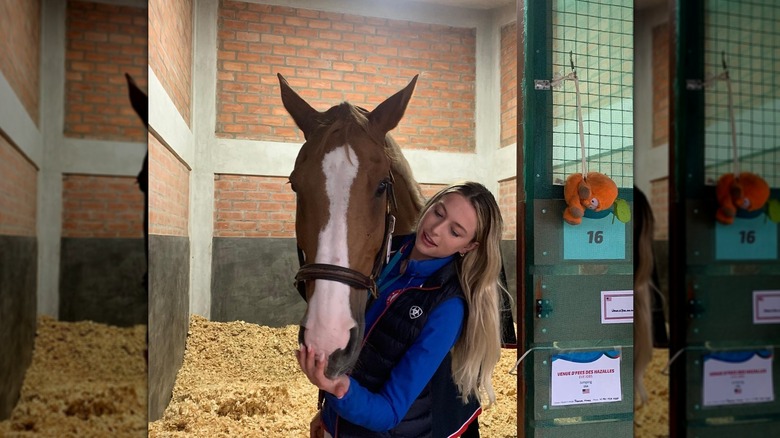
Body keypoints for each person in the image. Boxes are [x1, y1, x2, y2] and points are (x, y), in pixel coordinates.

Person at [297, 181, 507, 437]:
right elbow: (361, 351)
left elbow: (390, 412)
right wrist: (329, 412)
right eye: (438, 213)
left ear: (467, 247)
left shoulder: (448, 308)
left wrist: (337, 390)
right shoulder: (390, 251)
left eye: (455, 231)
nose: (436, 229)